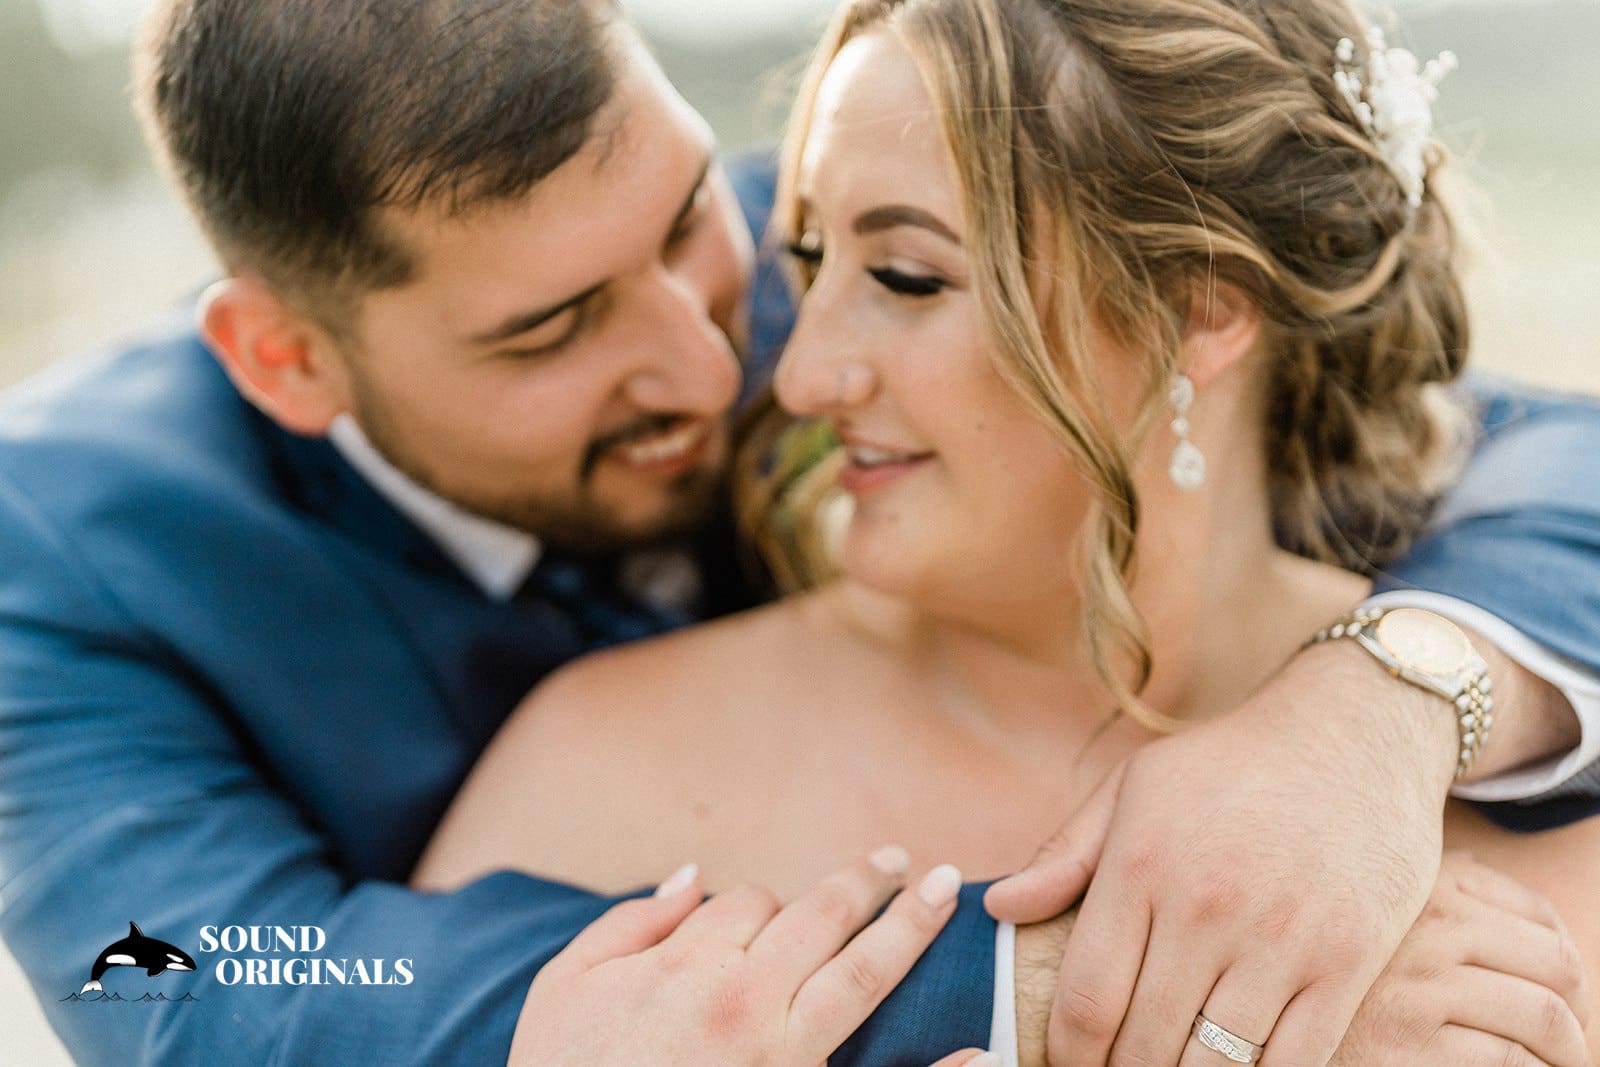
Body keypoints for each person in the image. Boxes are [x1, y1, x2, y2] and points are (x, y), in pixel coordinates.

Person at [0, 0, 1596, 1063]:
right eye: (553, 330)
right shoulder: (58, 553)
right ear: (287, 359)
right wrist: (1099, 994)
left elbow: (1509, 431)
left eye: (701, 224)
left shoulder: (903, 188)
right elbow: (200, 982)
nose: (750, 369)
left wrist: (1380, 708)